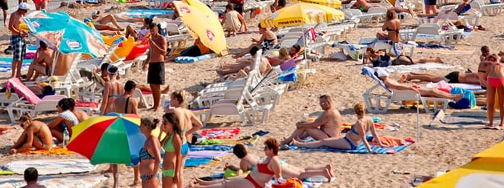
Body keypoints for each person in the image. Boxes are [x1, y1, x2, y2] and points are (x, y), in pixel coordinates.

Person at [192, 142, 333, 186]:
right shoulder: (254, 156)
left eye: (266, 148)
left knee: (301, 174)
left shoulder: (244, 162)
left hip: (264, 175)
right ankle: (323, 168)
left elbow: (278, 178)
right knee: (302, 170)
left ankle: (322, 172)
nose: (264, 149)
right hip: (273, 167)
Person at [294, 101, 373, 151]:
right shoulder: (370, 119)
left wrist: (370, 150)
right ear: (364, 111)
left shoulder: (359, 122)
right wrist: (381, 145)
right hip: (346, 139)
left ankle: (300, 144)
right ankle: (301, 142)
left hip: (350, 143)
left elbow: (363, 137)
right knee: (324, 141)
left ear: (355, 112)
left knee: (323, 142)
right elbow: (375, 134)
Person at [159, 112, 185, 188]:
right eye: (163, 122)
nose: (163, 124)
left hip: (171, 169)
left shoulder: (175, 137)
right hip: (165, 168)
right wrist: (160, 132)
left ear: (172, 123)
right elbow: (158, 145)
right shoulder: (168, 135)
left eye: (165, 122)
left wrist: (177, 173)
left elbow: (179, 155)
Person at [146, 21, 167, 110]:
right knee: (151, 85)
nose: (152, 33)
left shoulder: (161, 38)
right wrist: (146, 62)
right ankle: (154, 105)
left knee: (157, 85)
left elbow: (164, 52)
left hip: (159, 63)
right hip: (152, 63)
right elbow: (150, 52)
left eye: (153, 31)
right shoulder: (151, 39)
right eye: (150, 31)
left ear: (157, 29)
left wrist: (154, 45)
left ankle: (157, 106)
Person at [137, 117, 162, 188]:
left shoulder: (152, 141)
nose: (139, 126)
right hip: (146, 176)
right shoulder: (148, 140)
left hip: (150, 176)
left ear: (146, 126)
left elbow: (158, 160)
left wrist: (153, 177)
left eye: (141, 124)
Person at [8, 2, 30, 79]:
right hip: (16, 37)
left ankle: (18, 73)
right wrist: (19, 33)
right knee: (16, 57)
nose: (26, 12)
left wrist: (25, 32)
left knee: (22, 56)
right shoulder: (14, 15)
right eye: (25, 10)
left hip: (21, 37)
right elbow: (10, 27)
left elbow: (22, 26)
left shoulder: (22, 15)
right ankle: (13, 74)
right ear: (21, 9)